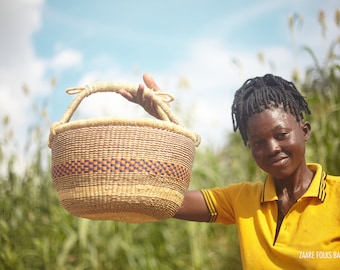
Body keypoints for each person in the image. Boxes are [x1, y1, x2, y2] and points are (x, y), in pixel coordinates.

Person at [118, 73, 340, 269]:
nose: (272, 148)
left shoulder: (336, 196)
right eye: (258, 143)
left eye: (281, 135)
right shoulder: (242, 200)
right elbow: (167, 199)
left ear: (305, 131)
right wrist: (166, 122)